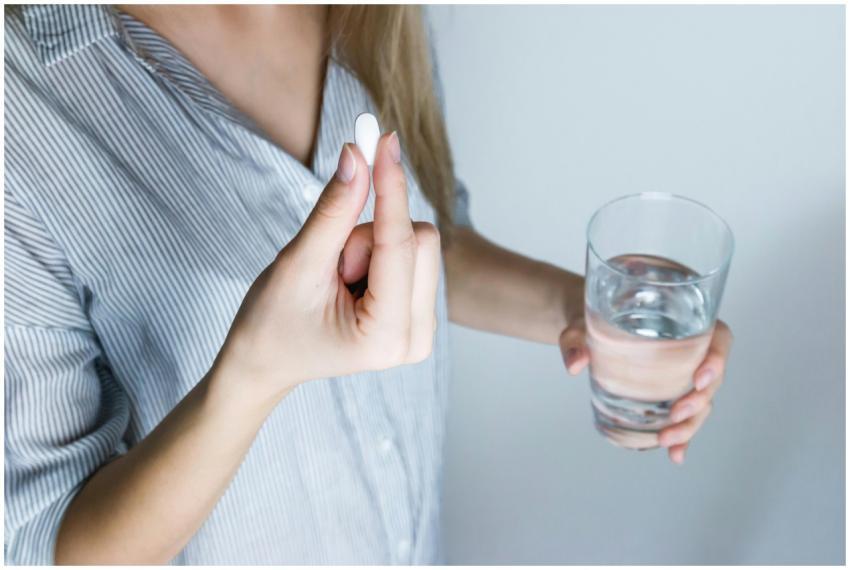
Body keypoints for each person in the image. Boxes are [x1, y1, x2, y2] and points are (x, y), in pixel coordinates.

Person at [4, 5, 733, 565]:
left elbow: (423, 242)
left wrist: (584, 313)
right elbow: (45, 544)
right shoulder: (23, 98)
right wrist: (253, 375)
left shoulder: (376, 14)